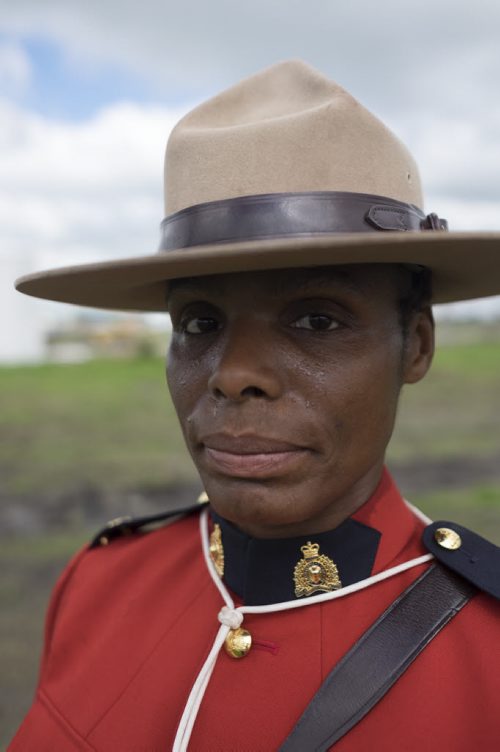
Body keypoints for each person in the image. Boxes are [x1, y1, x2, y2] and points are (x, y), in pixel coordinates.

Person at [9, 60, 500, 751]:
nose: (233, 375)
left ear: (414, 346)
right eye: (201, 323)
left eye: (317, 321)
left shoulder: (488, 661)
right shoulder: (99, 584)